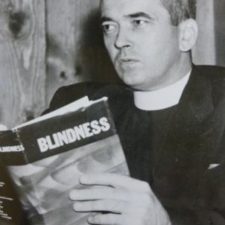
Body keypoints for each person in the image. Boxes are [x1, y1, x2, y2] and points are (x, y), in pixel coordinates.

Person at [46, 0, 225, 224]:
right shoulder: (74, 105)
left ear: (186, 35)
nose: (119, 41)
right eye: (109, 27)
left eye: (138, 22)